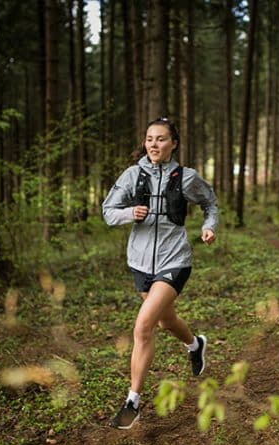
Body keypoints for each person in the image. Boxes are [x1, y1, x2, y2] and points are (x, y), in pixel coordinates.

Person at [102, 117, 218, 429]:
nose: (154, 144)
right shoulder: (132, 175)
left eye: (161, 139)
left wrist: (209, 227)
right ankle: (195, 344)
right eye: (150, 138)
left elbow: (210, 204)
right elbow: (108, 212)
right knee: (166, 321)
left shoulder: (186, 177)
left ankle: (132, 402)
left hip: (175, 259)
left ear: (174, 143)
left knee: (143, 327)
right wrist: (130, 213)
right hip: (140, 263)